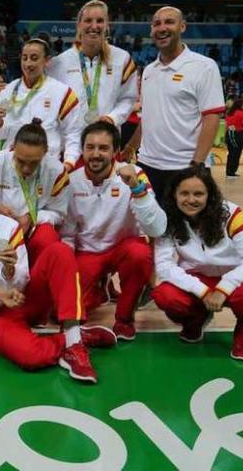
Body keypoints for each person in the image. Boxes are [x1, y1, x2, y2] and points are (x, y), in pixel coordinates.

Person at [0, 168, 116, 384]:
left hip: (21, 299)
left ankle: (74, 342)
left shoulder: (9, 226)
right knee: (32, 357)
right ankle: (74, 339)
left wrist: (10, 271)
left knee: (60, 251)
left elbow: (22, 279)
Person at [152, 166, 243, 362]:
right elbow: (164, 267)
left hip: (239, 280)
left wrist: (225, 287)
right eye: (184, 193)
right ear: (174, 195)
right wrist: (202, 291)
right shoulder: (167, 219)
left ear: (209, 195)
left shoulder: (231, 214)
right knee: (165, 296)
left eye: (198, 194)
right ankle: (195, 321)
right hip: (200, 280)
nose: (191, 199)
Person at [60, 121, 167, 340]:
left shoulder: (135, 175)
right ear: (82, 150)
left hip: (123, 248)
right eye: (90, 147)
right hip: (87, 252)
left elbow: (157, 227)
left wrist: (137, 189)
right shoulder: (71, 181)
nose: (96, 154)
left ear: (116, 152)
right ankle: (101, 290)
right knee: (67, 313)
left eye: (103, 148)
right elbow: (68, 233)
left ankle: (125, 319)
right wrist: (68, 271)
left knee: (139, 254)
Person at [123, 6, 224, 200]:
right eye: (156, 23)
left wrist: (197, 165)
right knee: (152, 226)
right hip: (148, 166)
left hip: (185, 167)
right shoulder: (149, 70)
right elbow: (149, 117)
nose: (162, 28)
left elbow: (211, 118)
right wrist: (130, 147)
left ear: (183, 27)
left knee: (189, 229)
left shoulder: (204, 67)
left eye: (169, 22)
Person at [0, 120, 70, 260]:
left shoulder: (56, 172)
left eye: (34, 163)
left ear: (45, 152)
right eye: (20, 161)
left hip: (32, 231)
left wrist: (32, 218)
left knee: (47, 236)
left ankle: (39, 277)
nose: (26, 169)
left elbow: (59, 213)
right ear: (12, 148)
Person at [47, 0, 139, 134]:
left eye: (100, 21)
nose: (94, 26)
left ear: (107, 25)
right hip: (69, 146)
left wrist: (112, 118)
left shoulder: (122, 59)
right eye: (88, 20)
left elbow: (128, 98)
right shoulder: (59, 63)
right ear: (79, 25)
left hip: (106, 142)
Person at [0, 38, 83, 170]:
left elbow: (73, 132)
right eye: (25, 58)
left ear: (46, 61)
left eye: (34, 58)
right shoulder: (7, 91)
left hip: (47, 166)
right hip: (12, 166)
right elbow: (0, 136)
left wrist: (68, 163)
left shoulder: (62, 92)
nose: (28, 63)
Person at [224, 97, 243, 179]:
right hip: (238, 135)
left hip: (229, 134)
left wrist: (225, 136)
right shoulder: (242, 113)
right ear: (240, 105)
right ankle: (231, 173)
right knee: (236, 154)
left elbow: (226, 126)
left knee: (231, 154)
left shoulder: (230, 113)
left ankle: (230, 172)